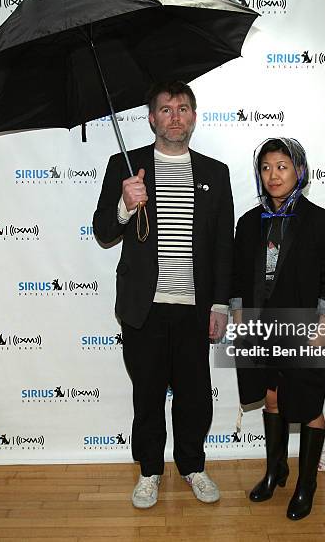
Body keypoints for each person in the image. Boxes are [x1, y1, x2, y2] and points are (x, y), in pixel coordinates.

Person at [93, 81, 234, 509]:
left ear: (194, 116)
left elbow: (223, 245)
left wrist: (220, 303)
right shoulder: (126, 164)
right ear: (151, 118)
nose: (176, 117)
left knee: (194, 395)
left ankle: (192, 465)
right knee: (148, 394)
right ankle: (150, 471)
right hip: (144, 309)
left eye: (184, 109)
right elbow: (103, 231)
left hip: (194, 308)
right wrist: (124, 203)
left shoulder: (215, 172)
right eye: (166, 109)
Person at [231, 137, 325, 520]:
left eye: (282, 166)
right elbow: (235, 273)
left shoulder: (321, 222)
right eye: (266, 168)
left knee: (308, 405)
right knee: (271, 398)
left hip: (306, 330)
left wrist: (324, 322)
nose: (273, 175)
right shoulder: (249, 223)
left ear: (299, 171)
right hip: (262, 330)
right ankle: (274, 470)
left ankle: (306, 485)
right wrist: (237, 312)